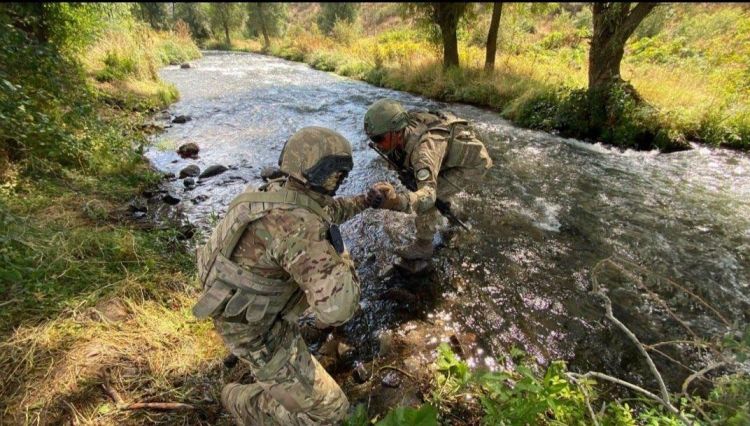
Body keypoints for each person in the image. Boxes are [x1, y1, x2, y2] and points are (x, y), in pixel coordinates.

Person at [192, 126, 396, 425]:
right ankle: (239, 400)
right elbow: (339, 309)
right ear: (326, 173)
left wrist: (365, 200)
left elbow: (323, 211)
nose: (340, 181)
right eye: (339, 174)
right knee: (329, 412)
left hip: (241, 305)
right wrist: (342, 254)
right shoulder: (298, 227)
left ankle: (271, 378)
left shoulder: (275, 193)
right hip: (255, 330)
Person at [363, 99, 493, 261]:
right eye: (372, 139)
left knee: (429, 201)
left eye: (379, 139)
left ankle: (423, 246)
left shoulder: (423, 153)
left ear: (396, 132)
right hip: (445, 158)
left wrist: (398, 201)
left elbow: (428, 194)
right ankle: (452, 212)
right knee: (425, 189)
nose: (376, 144)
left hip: (472, 165)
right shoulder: (401, 132)